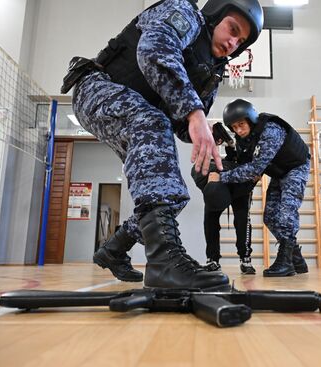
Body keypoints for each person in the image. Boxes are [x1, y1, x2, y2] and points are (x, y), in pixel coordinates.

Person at [66, 0, 264, 290]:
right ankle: (163, 264)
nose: (234, 42)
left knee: (169, 191)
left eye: (241, 40)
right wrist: (195, 113)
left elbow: (181, 125)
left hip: (138, 113)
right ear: (215, 15)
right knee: (153, 125)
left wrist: (205, 128)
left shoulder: (213, 73)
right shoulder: (184, 13)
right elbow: (154, 50)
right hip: (97, 89)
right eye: (232, 29)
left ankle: (114, 249)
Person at [208, 99, 311, 277]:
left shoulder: (270, 130)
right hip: (280, 174)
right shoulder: (244, 140)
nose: (238, 130)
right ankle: (297, 260)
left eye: (241, 124)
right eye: (234, 127)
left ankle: (285, 262)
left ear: (251, 119)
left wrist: (221, 177)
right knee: (270, 218)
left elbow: (254, 169)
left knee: (286, 214)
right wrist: (227, 146)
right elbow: (243, 163)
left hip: (296, 168)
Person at [191, 146, 257, 275]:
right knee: (210, 220)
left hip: (239, 183)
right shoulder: (200, 176)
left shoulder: (244, 182)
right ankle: (212, 259)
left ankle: (245, 258)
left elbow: (256, 176)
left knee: (242, 220)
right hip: (216, 184)